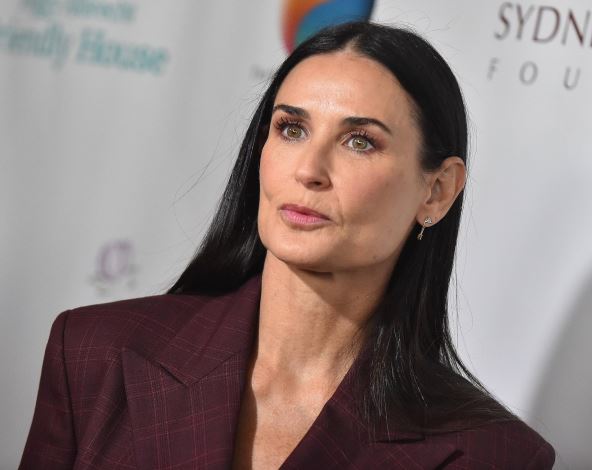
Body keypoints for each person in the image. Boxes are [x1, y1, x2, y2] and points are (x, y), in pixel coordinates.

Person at [20, 22, 555, 469]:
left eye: (360, 141)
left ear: (437, 191)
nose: (308, 170)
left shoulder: (492, 455)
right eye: (292, 129)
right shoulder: (95, 353)